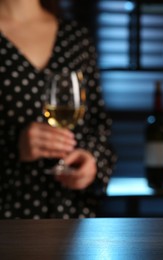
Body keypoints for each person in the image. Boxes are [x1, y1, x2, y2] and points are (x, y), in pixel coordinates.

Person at [0, 0, 116, 218]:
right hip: (8, 219)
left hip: (73, 218)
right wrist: (14, 149)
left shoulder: (76, 38)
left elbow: (100, 128)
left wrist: (92, 163)